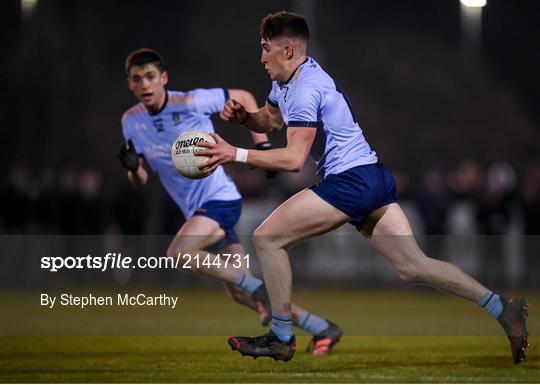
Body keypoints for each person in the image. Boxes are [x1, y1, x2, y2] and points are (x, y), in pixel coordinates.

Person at [196, 12, 530, 363]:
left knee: (267, 239)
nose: (262, 57)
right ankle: (502, 307)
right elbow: (273, 118)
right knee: (413, 266)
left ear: (289, 49)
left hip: (351, 181)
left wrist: (234, 153)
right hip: (370, 174)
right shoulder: (288, 81)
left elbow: (294, 160)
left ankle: (281, 337)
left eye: (266, 49)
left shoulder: (307, 88)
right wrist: (247, 119)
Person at [119, 48, 342, 356]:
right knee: (242, 292)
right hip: (196, 211)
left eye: (150, 77)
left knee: (179, 252)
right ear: (129, 84)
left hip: (220, 199)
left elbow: (244, 96)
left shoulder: (190, 101)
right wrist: (133, 169)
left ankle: (256, 289)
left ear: (163, 79)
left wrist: (261, 143)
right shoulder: (131, 122)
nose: (145, 84)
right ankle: (321, 327)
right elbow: (141, 180)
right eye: (136, 79)